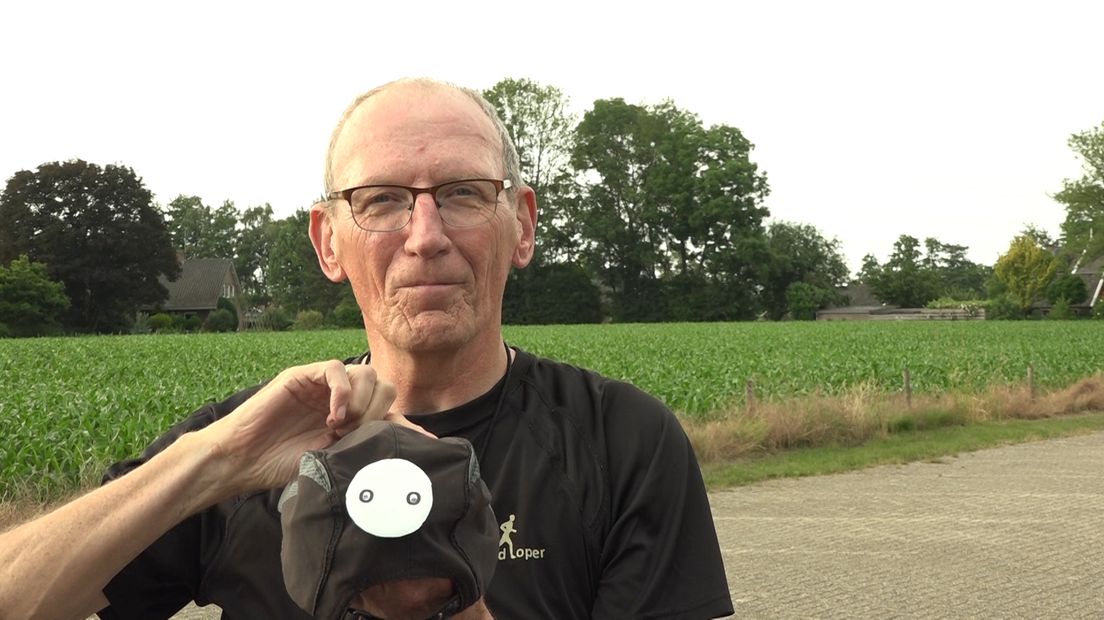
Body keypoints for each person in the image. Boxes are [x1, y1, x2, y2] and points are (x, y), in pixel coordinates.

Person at [0, 78, 733, 619]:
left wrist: (445, 598)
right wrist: (210, 463)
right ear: (328, 240)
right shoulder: (250, 442)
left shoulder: (621, 439)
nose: (425, 236)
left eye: (464, 193)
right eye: (380, 200)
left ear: (524, 224)